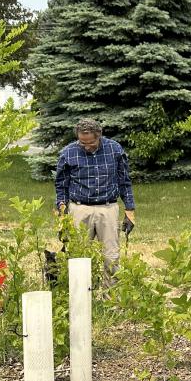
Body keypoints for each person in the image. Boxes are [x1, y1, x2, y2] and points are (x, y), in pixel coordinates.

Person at [54, 118, 136, 286]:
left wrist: (130, 210)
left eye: (90, 142)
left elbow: (124, 181)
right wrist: (62, 214)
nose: (86, 146)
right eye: (82, 142)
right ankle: (82, 299)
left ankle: (112, 302)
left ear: (99, 136)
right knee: (78, 256)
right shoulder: (68, 152)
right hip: (79, 209)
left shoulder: (114, 149)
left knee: (111, 257)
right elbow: (61, 185)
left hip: (108, 208)